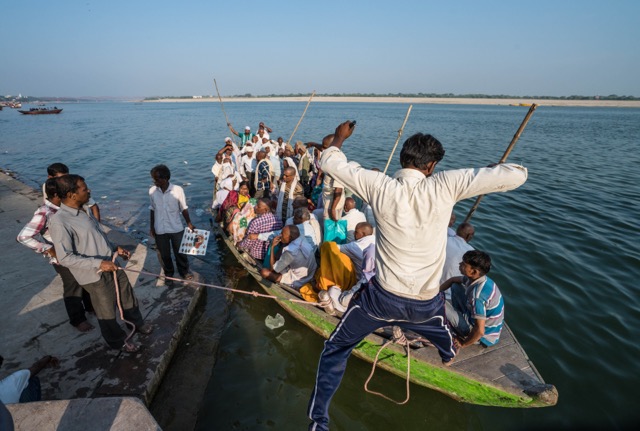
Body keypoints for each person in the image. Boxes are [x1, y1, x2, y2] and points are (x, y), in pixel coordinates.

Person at [307, 121, 527, 430]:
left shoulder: (379, 185)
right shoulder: (447, 184)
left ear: (402, 159)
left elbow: (330, 161)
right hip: (425, 305)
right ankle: (448, 351)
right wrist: (491, 171)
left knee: (335, 349)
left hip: (381, 300)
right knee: (440, 327)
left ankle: (318, 423)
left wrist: (340, 137)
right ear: (432, 165)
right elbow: (517, 175)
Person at [49, 175, 151, 353]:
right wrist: (99, 263)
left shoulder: (85, 210)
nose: (89, 191)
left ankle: (137, 324)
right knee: (106, 310)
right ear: (72, 194)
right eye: (84, 189)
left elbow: (98, 238)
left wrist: (115, 248)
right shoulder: (59, 221)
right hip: (94, 275)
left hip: (112, 264)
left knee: (127, 296)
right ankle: (117, 341)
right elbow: (65, 258)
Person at [17, 178, 94, 332]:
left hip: (78, 254)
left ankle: (90, 307)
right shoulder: (44, 212)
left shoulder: (67, 208)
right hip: (62, 259)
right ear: (57, 195)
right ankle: (77, 319)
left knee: (85, 281)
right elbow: (23, 237)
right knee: (73, 287)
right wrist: (49, 249)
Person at [440, 250, 504, 348]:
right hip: (475, 320)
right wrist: (434, 292)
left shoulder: (477, 296)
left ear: (473, 272)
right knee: (455, 285)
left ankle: (460, 330)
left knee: (440, 303)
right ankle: (458, 317)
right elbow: (453, 280)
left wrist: (463, 344)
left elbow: (480, 331)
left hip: (482, 336)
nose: (460, 264)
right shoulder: (479, 279)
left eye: (464, 264)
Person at [149, 164, 195, 285]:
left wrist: (189, 223)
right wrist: (152, 227)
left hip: (176, 228)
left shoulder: (178, 190)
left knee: (180, 252)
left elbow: (183, 208)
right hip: (160, 228)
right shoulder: (152, 191)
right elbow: (152, 209)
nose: (154, 181)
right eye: (154, 179)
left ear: (165, 178)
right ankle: (169, 274)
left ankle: (184, 271)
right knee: (164, 255)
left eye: (157, 179)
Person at [259, 225, 317, 289]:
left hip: (297, 279)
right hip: (311, 273)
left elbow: (273, 269)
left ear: (290, 237)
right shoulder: (301, 237)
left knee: (264, 272)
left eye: (282, 234)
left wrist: (272, 247)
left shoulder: (290, 252)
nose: (280, 235)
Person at [440, 219, 475, 297]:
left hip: (431, 283)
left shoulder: (443, 240)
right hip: (447, 291)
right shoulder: (470, 251)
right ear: (469, 236)